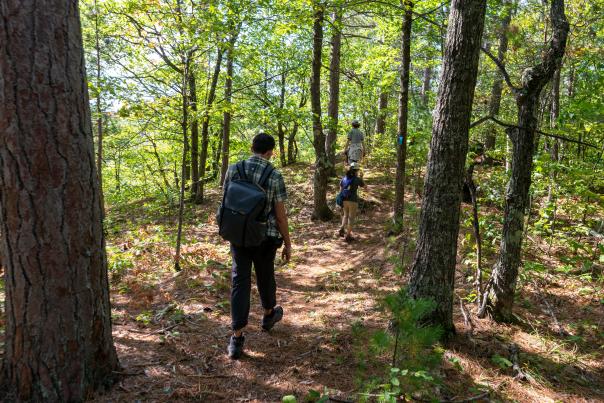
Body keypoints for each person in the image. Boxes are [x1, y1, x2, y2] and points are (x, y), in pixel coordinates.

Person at [221, 133, 292, 359]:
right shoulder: (274, 175)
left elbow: (225, 200)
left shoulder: (234, 169)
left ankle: (237, 337)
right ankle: (269, 314)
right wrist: (288, 243)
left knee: (239, 280)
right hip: (264, 236)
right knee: (265, 275)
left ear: (252, 147)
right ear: (271, 151)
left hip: (238, 235)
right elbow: (280, 216)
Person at [338, 162, 365, 242]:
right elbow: (365, 187)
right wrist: (361, 178)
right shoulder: (357, 179)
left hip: (344, 200)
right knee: (351, 218)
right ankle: (348, 236)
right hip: (353, 201)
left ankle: (342, 229)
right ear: (356, 170)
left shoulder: (344, 179)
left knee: (345, 215)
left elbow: (340, 190)